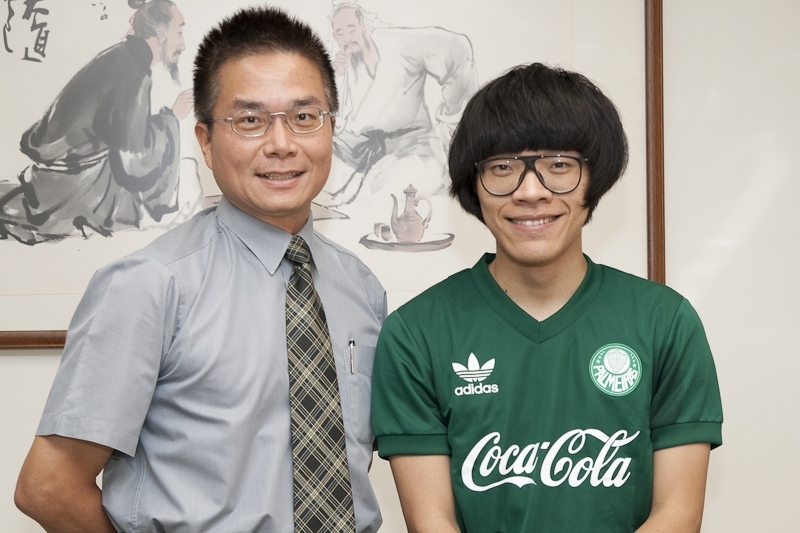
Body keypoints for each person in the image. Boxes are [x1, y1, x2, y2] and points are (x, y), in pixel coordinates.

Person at [15, 6, 385, 532]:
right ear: (206, 141)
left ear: (330, 128)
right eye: (250, 120)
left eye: (305, 117)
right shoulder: (149, 284)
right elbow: (49, 487)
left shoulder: (362, 288)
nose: (282, 144)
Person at [372, 63, 723, 532]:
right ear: (474, 184)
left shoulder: (666, 322)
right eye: (502, 167)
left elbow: (677, 513)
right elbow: (432, 520)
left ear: (594, 178)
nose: (531, 192)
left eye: (559, 165)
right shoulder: (415, 334)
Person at [0, 0, 194, 245]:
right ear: (161, 32)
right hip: (75, 183)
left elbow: (127, 138)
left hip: (68, 167)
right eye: (179, 33)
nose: (183, 45)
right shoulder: (133, 71)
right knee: (128, 213)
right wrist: (172, 117)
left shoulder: (123, 57)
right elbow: (135, 159)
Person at [323, 2, 478, 205]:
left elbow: (457, 49)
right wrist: (338, 76)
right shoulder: (348, 66)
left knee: (385, 187)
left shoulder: (398, 44)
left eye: (351, 29)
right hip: (367, 150)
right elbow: (341, 122)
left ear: (363, 25)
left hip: (413, 150)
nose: (347, 38)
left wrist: (452, 121)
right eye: (340, 33)